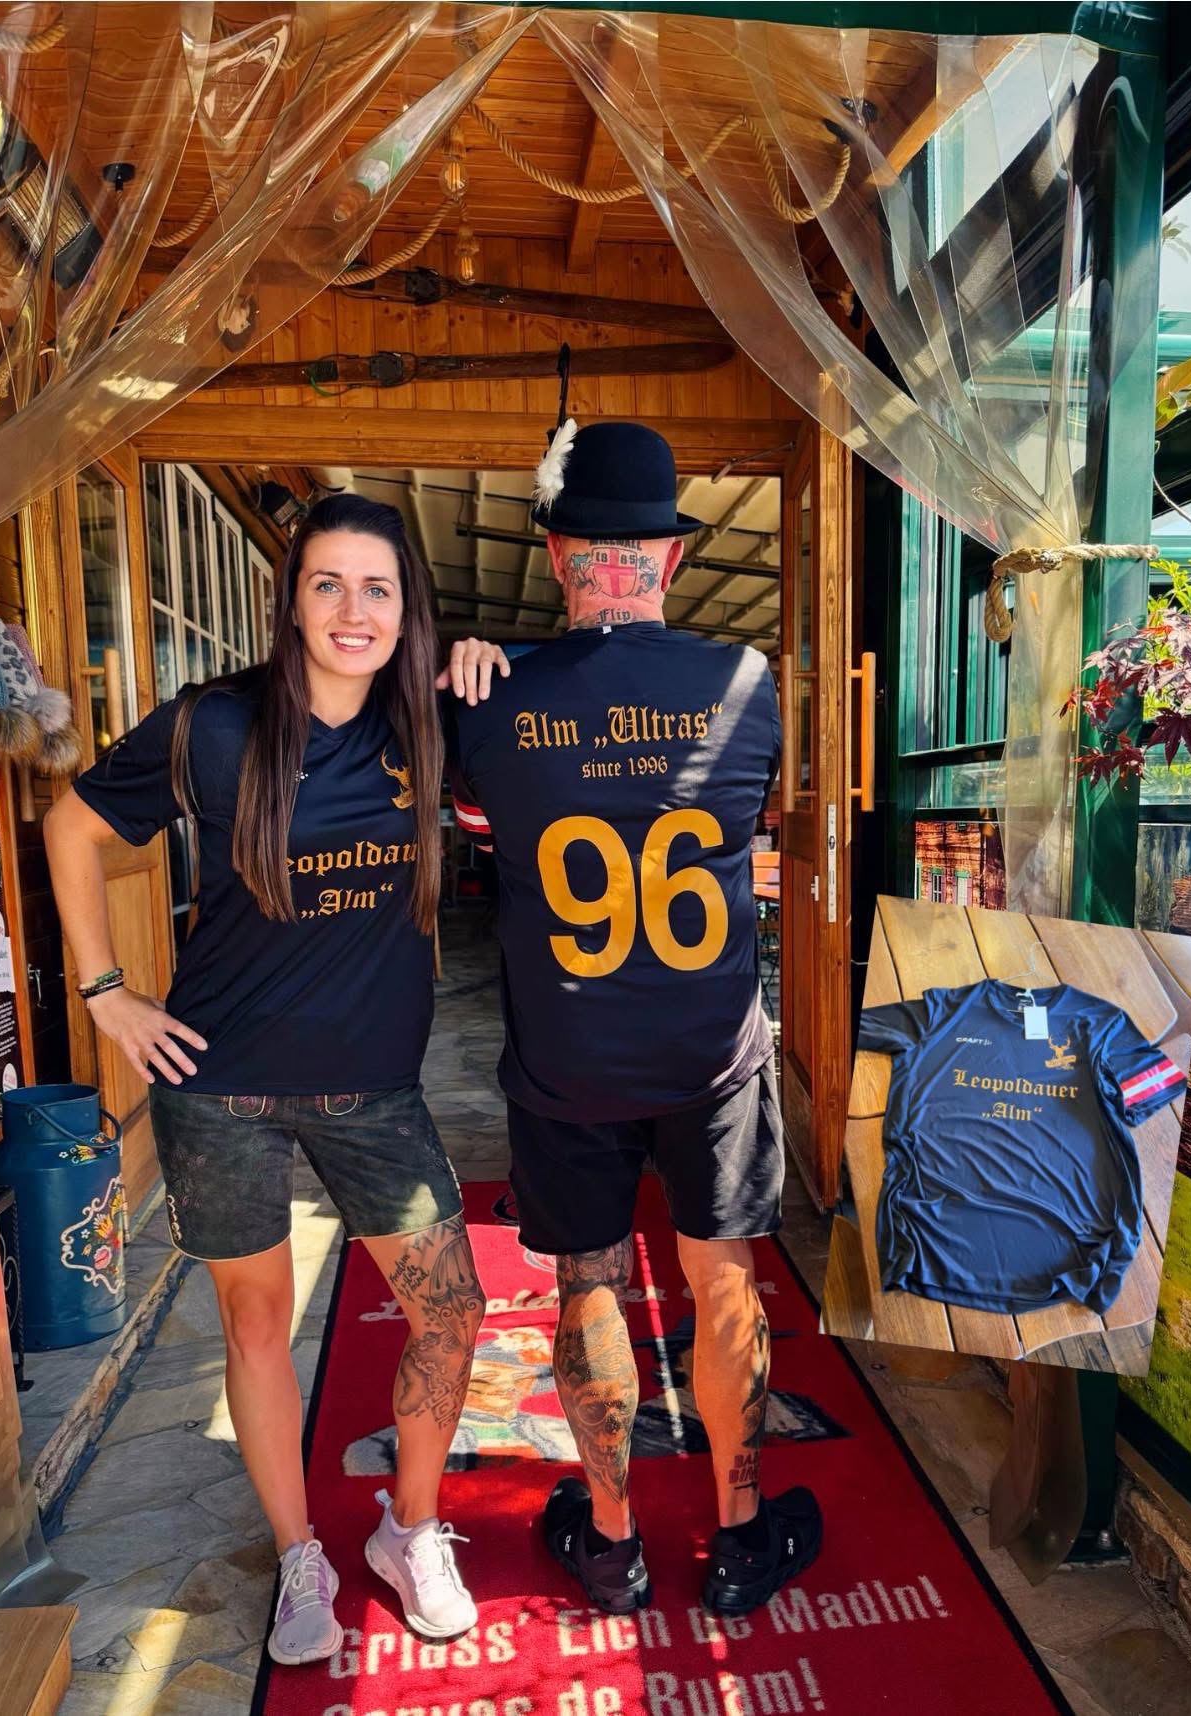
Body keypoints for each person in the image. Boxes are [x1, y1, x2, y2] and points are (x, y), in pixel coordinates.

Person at [45, 494, 509, 1664]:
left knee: (452, 1312)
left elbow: (547, 738)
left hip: (374, 1091)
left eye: (377, 588)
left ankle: (410, 1529)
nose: (353, 610)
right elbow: (71, 825)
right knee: (255, 1326)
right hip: (222, 1086)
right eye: (327, 584)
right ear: (291, 599)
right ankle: (301, 1552)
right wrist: (106, 995)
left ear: (406, 607)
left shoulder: (429, 721)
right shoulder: (212, 726)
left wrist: (491, 662)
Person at [450, 421, 822, 1618]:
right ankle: (741, 1532)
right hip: (711, 1050)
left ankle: (612, 1544)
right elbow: (755, 816)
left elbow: (479, 831)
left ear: (559, 555)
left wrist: (481, 668)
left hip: (567, 1057)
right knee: (723, 1278)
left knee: (590, 1284)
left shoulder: (489, 702)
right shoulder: (749, 686)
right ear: (669, 557)